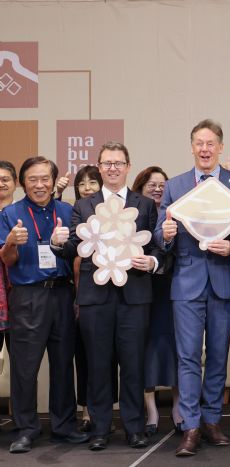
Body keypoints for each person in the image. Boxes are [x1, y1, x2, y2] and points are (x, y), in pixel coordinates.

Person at [51, 142, 162, 451]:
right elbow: (74, 248)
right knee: (98, 365)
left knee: (133, 365)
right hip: (95, 296)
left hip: (135, 295)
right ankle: (100, 428)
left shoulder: (145, 205)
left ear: (128, 166)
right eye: (107, 163)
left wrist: (152, 262)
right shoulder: (84, 206)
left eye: (118, 163)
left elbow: (156, 247)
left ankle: (134, 427)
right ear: (99, 168)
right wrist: (57, 242)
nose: (113, 168)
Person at [154, 119, 230, 457]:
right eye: (199, 143)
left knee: (218, 355)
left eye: (211, 143)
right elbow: (161, 234)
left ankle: (212, 419)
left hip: (224, 280)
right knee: (187, 356)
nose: (205, 149)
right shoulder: (176, 185)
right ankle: (191, 425)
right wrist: (166, 235)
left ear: (221, 147)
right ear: (192, 147)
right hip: (186, 283)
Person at [0, 157, 89, 453]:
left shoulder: (67, 211)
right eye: (33, 179)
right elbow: (7, 260)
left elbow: (79, 254)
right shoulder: (10, 213)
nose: (39, 185)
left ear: (53, 182)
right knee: (25, 367)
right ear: (23, 183)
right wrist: (11, 242)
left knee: (63, 363)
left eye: (45, 179)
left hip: (62, 293)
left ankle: (64, 426)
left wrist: (63, 245)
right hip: (27, 296)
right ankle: (26, 429)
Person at [132, 166, 182, 436]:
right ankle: (150, 409)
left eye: (162, 184)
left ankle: (178, 405)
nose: (157, 189)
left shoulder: (176, 212)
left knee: (175, 347)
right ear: (140, 187)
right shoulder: (132, 214)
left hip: (173, 286)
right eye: (151, 184)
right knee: (146, 349)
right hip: (142, 288)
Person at [70, 165, 119, 434]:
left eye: (92, 182)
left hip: (104, 298)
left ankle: (105, 412)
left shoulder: (113, 218)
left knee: (105, 357)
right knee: (84, 357)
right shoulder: (72, 215)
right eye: (81, 183)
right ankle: (87, 411)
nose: (87, 188)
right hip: (76, 301)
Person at [0, 161, 16, 355]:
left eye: (5, 179)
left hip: (20, 297)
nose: (1, 184)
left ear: (15, 182)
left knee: (22, 365)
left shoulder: (23, 212)